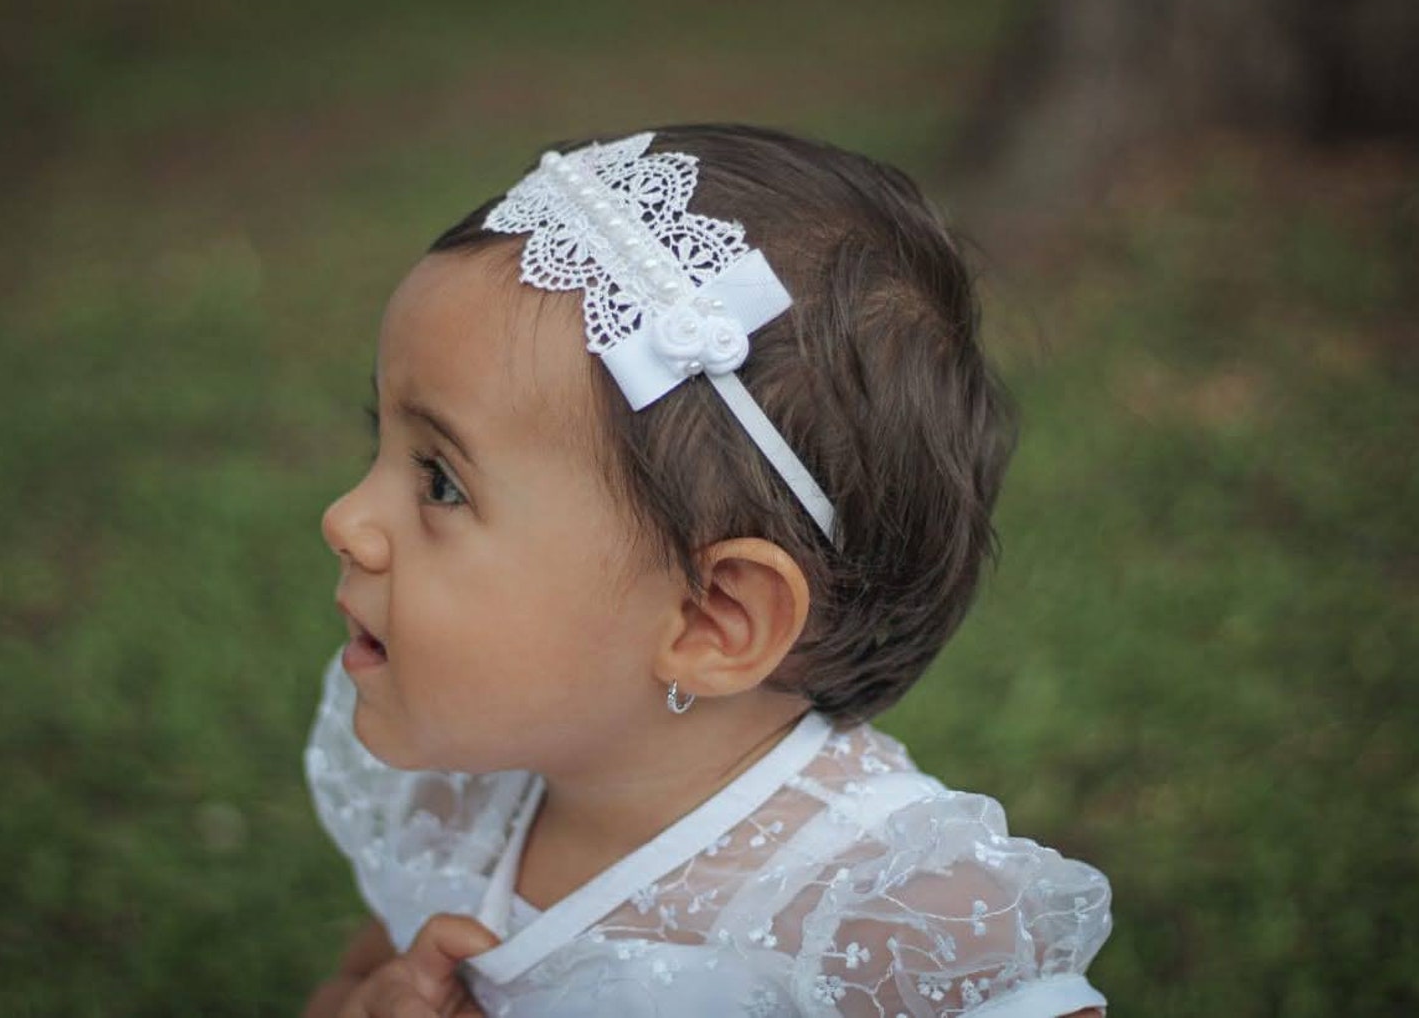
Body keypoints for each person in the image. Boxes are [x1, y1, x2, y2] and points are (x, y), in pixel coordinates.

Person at [302, 125, 1112, 1018]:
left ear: (710, 618)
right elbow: (359, 980)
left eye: (442, 482)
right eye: (383, 441)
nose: (346, 520)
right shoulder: (460, 794)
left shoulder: (893, 921)